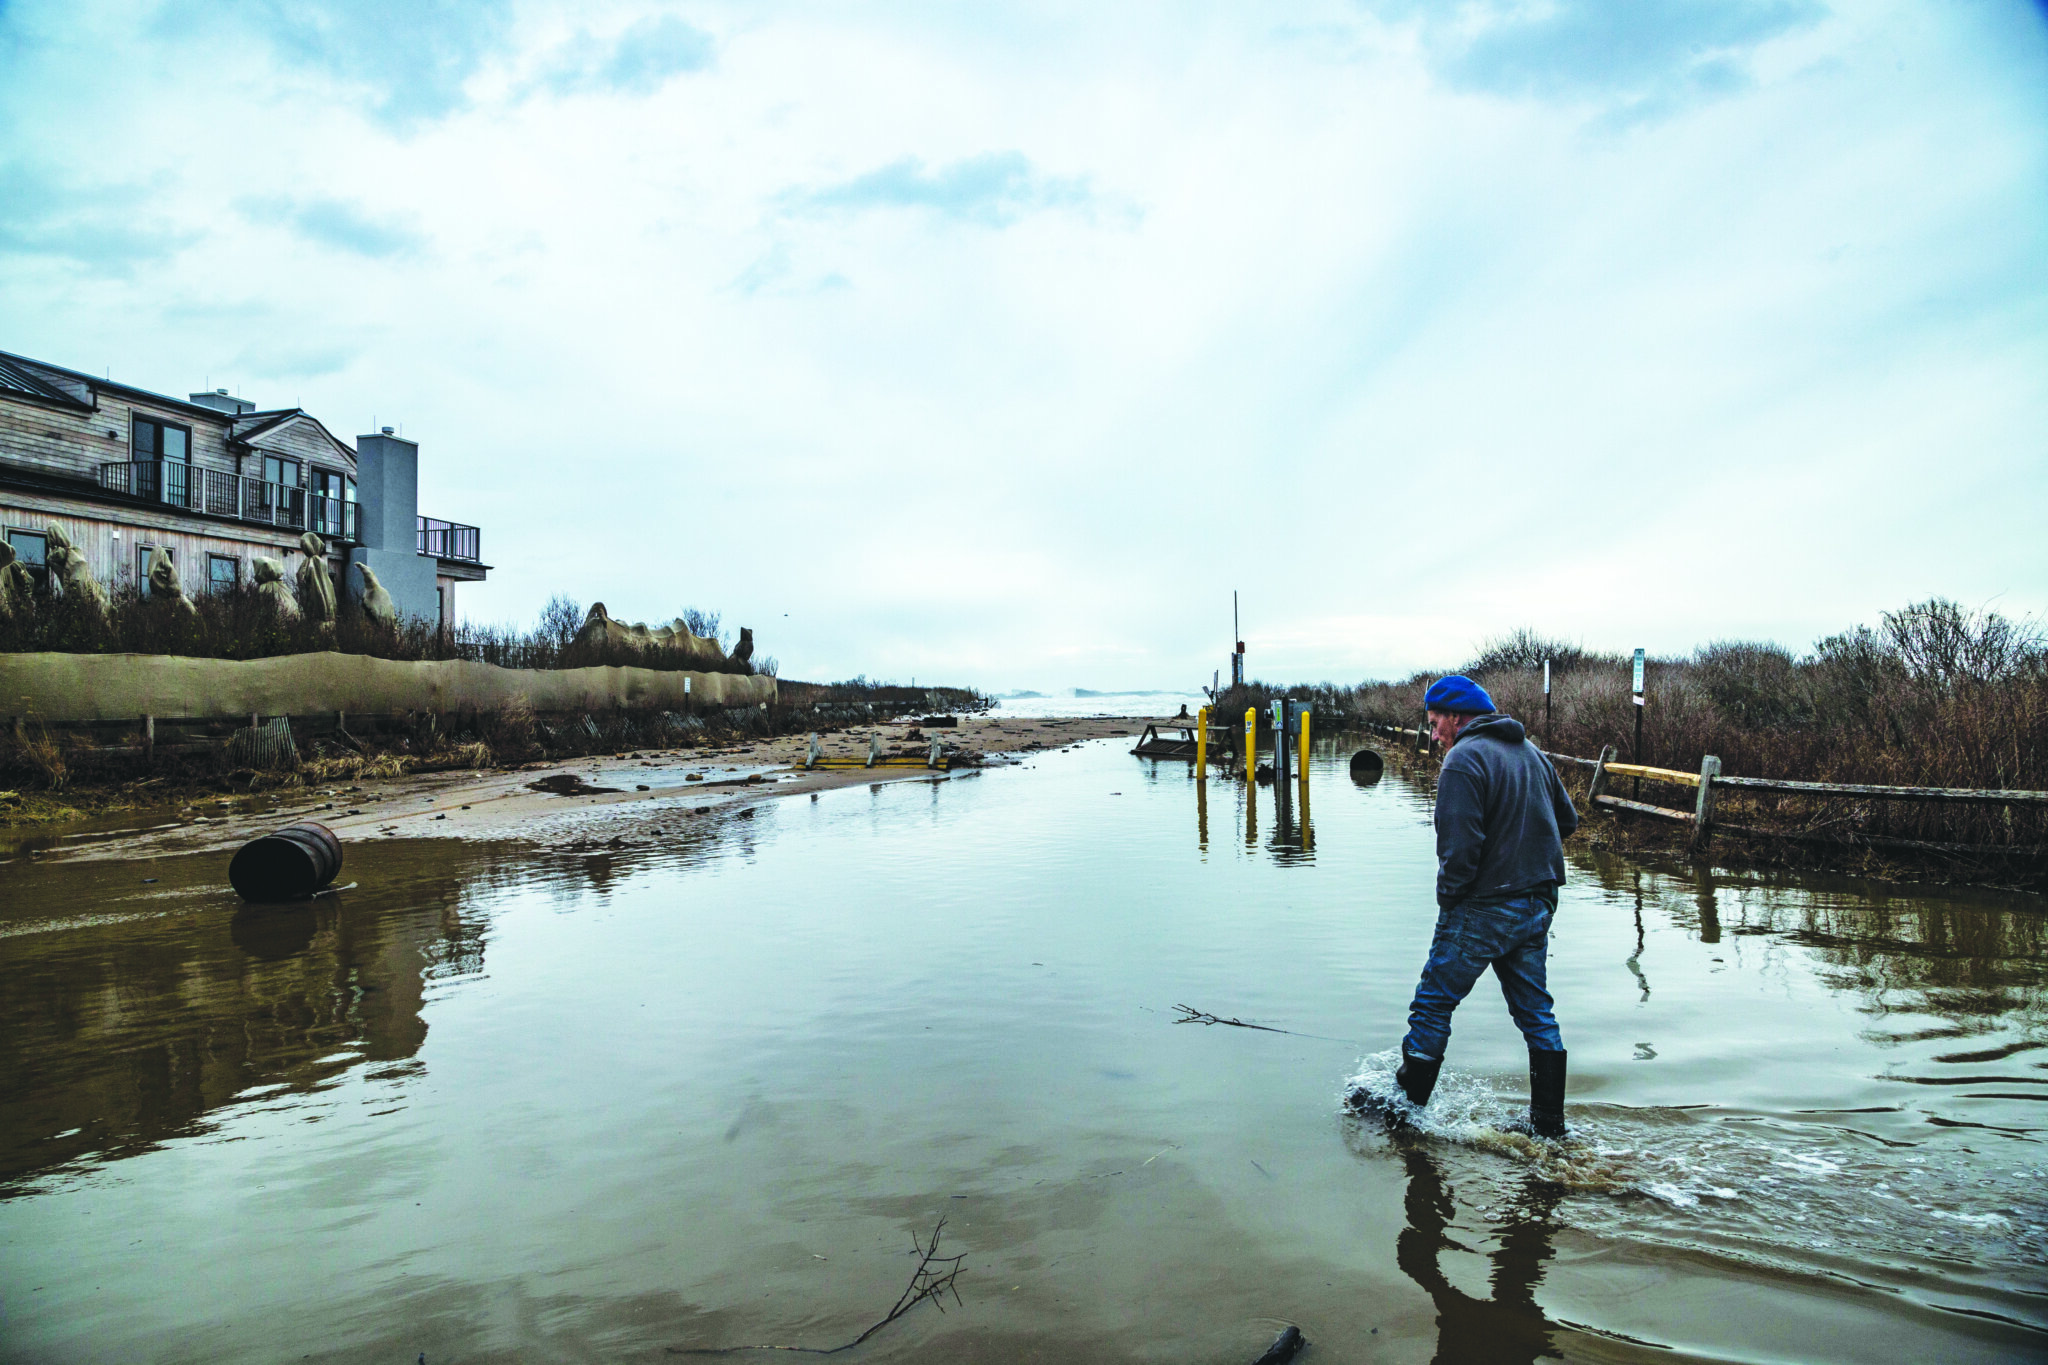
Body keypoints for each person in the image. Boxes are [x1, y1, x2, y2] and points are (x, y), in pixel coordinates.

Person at [1386, 674, 1579, 1136]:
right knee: (1537, 1014)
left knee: (1432, 1006)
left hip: (1482, 909)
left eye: (1435, 724)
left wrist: (1450, 905)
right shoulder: (1533, 756)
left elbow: (1459, 851)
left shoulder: (1463, 760)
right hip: (1538, 904)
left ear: (1457, 716)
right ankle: (1549, 1128)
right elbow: (1566, 823)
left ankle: (1405, 1117)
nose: (1433, 735)